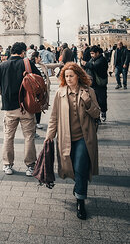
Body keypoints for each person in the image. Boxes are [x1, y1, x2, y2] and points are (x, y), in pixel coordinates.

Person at [45, 62, 100, 220]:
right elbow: (54, 117)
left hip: (84, 137)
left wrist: (88, 101)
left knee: (80, 167)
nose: (68, 79)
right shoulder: (60, 93)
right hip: (66, 137)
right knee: (73, 169)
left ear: (78, 76)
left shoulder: (89, 91)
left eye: (71, 76)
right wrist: (49, 136)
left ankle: (80, 201)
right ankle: (79, 187)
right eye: (66, 76)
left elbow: (97, 114)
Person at [0, 42, 41, 176]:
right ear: (23, 52)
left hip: (9, 107)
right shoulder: (27, 64)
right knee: (29, 137)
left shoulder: (2, 65)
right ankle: (30, 166)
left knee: (8, 137)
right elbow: (39, 78)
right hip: (26, 106)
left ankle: (7, 165)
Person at [82, 45, 108, 122]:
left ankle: (103, 112)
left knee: (101, 100)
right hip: (92, 84)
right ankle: (97, 117)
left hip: (100, 84)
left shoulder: (102, 59)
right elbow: (88, 68)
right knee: (94, 101)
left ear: (97, 53)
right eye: (91, 53)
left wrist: (85, 64)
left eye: (93, 53)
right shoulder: (92, 59)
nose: (91, 55)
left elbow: (94, 66)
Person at [32, 51, 50, 130]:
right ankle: (34, 122)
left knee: (40, 105)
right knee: (36, 105)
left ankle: (38, 122)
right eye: (39, 56)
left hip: (43, 87)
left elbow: (49, 66)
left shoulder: (42, 65)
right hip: (35, 88)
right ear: (36, 57)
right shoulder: (32, 66)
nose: (41, 58)